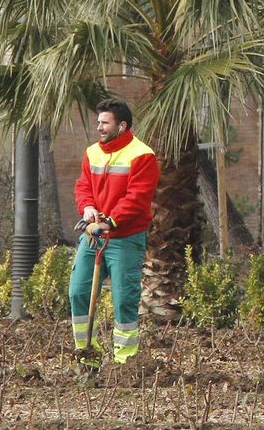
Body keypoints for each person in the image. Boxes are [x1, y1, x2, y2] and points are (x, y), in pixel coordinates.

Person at [70, 97, 159, 365]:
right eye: (98, 122)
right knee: (78, 292)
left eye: (104, 123)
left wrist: (110, 221)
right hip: (92, 237)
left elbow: (138, 197)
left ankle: (125, 362)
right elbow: (83, 185)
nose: (99, 127)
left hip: (125, 239)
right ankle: (87, 356)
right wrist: (87, 208)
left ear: (121, 126)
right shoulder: (92, 152)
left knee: (123, 299)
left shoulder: (143, 155)